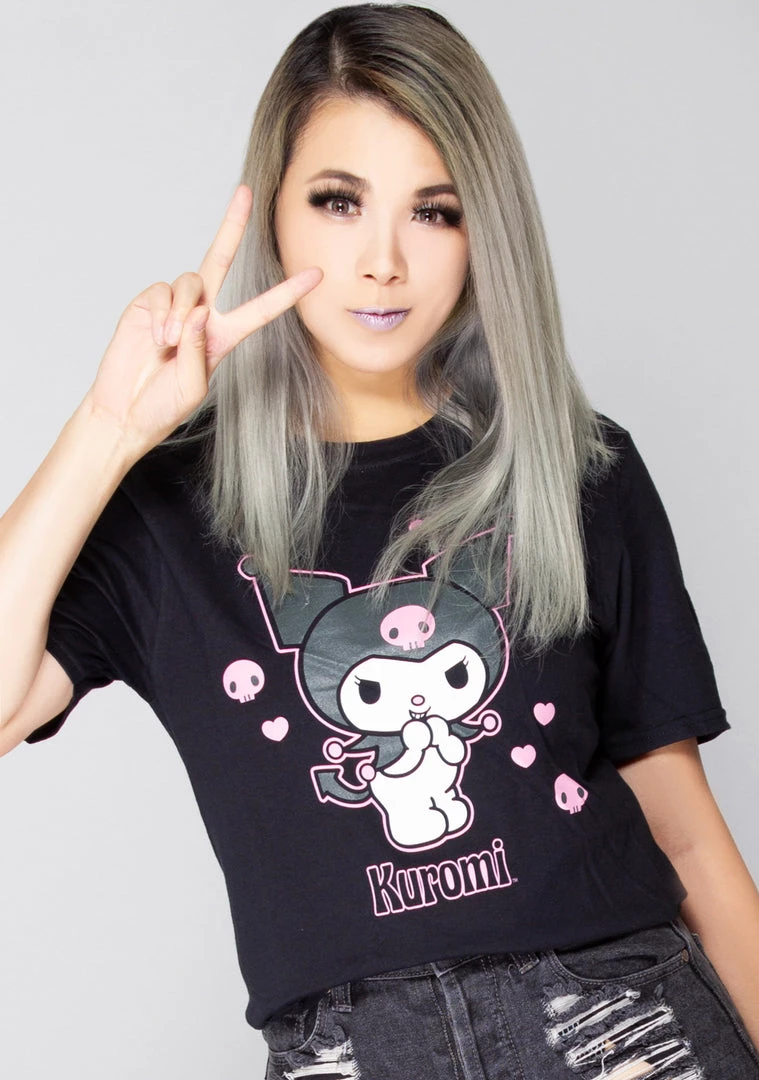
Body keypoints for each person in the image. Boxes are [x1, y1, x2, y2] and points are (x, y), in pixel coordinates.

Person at [1, 3, 758, 1076]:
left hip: (623, 1024)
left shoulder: (575, 468)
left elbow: (684, 833)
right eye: (339, 201)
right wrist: (106, 431)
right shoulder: (167, 509)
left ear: (484, 231)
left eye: (434, 212)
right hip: (353, 1049)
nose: (384, 262)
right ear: (276, 214)